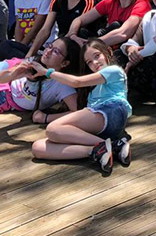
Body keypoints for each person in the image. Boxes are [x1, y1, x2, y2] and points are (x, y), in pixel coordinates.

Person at [29, 39, 132, 175]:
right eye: (89, 62)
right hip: (102, 125)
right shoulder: (94, 88)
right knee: (38, 148)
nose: (95, 63)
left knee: (52, 129)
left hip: (112, 112)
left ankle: (110, 145)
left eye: (97, 56)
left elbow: (76, 82)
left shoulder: (114, 71)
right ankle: (97, 150)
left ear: (108, 51)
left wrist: (46, 72)